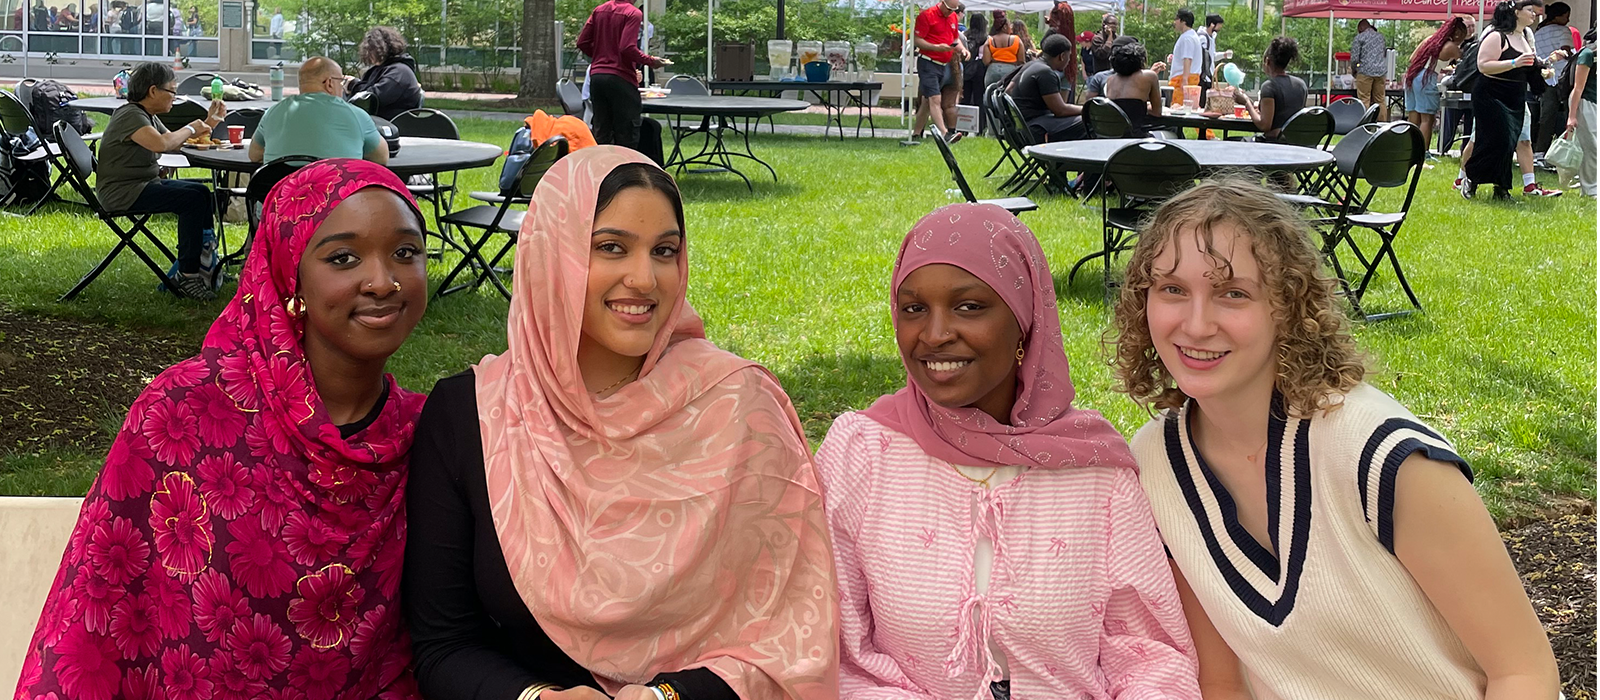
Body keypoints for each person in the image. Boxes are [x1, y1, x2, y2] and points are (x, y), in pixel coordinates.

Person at [403, 146, 838, 700]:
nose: (645, 278)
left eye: (664, 251)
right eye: (611, 248)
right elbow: (444, 644)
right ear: (551, 255)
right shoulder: (472, 416)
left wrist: (666, 697)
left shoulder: (738, 406)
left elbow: (790, 633)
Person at [1111, 177, 1562, 699]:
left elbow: (1524, 673)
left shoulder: (1382, 457)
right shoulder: (1155, 462)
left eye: (1233, 293)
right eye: (1172, 290)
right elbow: (1221, 681)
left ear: (1289, 306)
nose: (1196, 323)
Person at [14, 158, 433, 700]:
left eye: (406, 252)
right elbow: (95, 611)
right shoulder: (186, 412)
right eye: (343, 257)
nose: (383, 280)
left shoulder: (433, 434)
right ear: (290, 274)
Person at [815, 202, 1202, 699]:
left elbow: (1149, 656)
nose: (934, 335)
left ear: (1024, 321)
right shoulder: (862, 454)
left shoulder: (1094, 473)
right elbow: (832, 649)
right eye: (914, 308)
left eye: (968, 306)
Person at [94, 62, 225, 299]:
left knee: (201, 193)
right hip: (123, 193)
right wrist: (190, 127)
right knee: (192, 200)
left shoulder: (146, 115)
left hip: (141, 184)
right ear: (153, 91)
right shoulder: (131, 115)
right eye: (172, 92)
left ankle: (206, 266)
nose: (174, 98)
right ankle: (187, 276)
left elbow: (173, 142)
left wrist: (210, 122)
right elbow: (161, 144)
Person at [1463, 0, 1567, 200]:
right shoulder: (1496, 36)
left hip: (1515, 96)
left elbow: (1528, 65)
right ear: (1516, 12)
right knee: (1495, 140)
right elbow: (1483, 65)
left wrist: (1541, 70)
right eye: (1529, 10)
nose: (1534, 14)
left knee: (1509, 142)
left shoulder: (1526, 37)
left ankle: (1501, 189)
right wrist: (1513, 62)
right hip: (1491, 94)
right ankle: (1471, 179)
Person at [251, 56, 387, 165]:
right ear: (329, 83)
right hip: (336, 198)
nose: (343, 88)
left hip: (280, 198)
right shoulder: (356, 115)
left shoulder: (273, 112)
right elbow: (381, 157)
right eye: (340, 82)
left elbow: (254, 154)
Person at [576, 0, 668, 154]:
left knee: (601, 130)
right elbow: (627, 47)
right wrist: (650, 61)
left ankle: (601, 171)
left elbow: (582, 42)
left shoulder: (599, 10)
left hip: (598, 77)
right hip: (620, 78)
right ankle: (626, 172)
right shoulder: (633, 13)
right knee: (627, 132)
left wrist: (601, 56)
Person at [1405, 18, 1470, 155]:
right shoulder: (1452, 46)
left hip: (1413, 75)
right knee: (1427, 119)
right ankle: (1423, 153)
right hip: (1426, 79)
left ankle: (1410, 151)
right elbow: (1464, 64)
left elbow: (1412, 58)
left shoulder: (1430, 39)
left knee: (1414, 117)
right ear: (1458, 34)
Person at [1006, 33, 1085, 142]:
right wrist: (1087, 109)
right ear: (1062, 56)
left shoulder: (1031, 65)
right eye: (1069, 56)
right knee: (1086, 122)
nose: (1069, 60)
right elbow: (1060, 110)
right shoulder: (1045, 73)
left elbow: (1008, 90)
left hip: (1017, 128)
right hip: (1033, 129)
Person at [909, 0, 967, 144]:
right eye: (948, 9)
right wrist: (936, 47)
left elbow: (954, 38)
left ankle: (916, 134)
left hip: (944, 64)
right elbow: (917, 40)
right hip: (928, 63)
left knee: (927, 101)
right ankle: (945, 133)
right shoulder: (926, 16)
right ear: (942, 3)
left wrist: (962, 49)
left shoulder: (952, 16)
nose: (950, 12)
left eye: (953, 10)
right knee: (935, 99)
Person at [1233, 36, 1308, 140]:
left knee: (1231, 141)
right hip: (1295, 144)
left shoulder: (1269, 86)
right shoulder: (1301, 85)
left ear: (1267, 61)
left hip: (1274, 145)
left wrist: (1246, 103)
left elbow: (1264, 125)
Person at [345, 26, 424, 121]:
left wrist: (353, 85)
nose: (370, 54)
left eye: (372, 50)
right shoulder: (381, 69)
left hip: (391, 125)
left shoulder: (399, 72)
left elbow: (372, 99)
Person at [1532, 1, 1579, 156]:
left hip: (1545, 77)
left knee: (1546, 116)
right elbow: (1566, 51)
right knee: (1568, 114)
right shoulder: (1563, 31)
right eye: (1566, 16)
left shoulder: (1538, 32)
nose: (1568, 20)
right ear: (1557, 16)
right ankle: (1565, 151)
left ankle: (1540, 151)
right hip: (1562, 78)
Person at [1103, 38, 1163, 137]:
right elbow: (1157, 112)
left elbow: (1122, 107)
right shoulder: (1150, 76)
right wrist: (1144, 107)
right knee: (1170, 133)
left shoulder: (1110, 80)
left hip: (1110, 137)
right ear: (1141, 60)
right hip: (1135, 138)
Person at [1564, 30, 1595, 195]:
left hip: (1594, 102)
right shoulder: (1588, 54)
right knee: (1592, 147)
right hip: (1586, 102)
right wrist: (1572, 116)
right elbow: (1578, 87)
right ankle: (1590, 188)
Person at [1350, 19, 1390, 120]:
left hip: (1365, 72)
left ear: (1361, 28)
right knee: (1380, 100)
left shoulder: (1359, 37)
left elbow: (1355, 58)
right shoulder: (1381, 37)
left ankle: (1364, 124)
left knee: (1364, 99)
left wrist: (1354, 70)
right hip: (1380, 72)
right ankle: (1382, 125)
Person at [982, 13, 1025, 87]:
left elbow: (986, 61)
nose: (1011, 27)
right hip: (1011, 72)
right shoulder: (1016, 40)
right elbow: (1021, 61)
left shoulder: (990, 40)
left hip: (993, 71)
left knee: (990, 95)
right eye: (1009, 24)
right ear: (1004, 26)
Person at [1198, 13, 1233, 103]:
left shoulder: (1211, 38)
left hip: (1209, 77)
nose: (1219, 28)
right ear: (1212, 25)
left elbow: (1211, 56)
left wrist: (1224, 55)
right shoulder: (1202, 38)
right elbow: (1203, 58)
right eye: (1219, 25)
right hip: (1203, 77)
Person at [960, 11, 991, 110]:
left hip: (965, 66)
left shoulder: (964, 35)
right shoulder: (986, 38)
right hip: (980, 69)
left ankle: (963, 121)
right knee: (979, 98)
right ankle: (980, 122)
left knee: (965, 97)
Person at [1170, 8, 1204, 92]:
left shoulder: (1187, 38)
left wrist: (1185, 80)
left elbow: (1187, 58)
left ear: (1183, 21)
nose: (1175, 22)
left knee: (1178, 104)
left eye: (1177, 19)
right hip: (1189, 77)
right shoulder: (1191, 36)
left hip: (1182, 78)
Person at [1090, 13, 1118, 77]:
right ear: (1104, 25)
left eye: (1116, 24)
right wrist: (1109, 36)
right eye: (1112, 23)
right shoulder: (1097, 38)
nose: (1114, 26)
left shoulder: (1117, 39)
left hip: (1115, 75)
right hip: (1101, 75)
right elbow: (1102, 54)